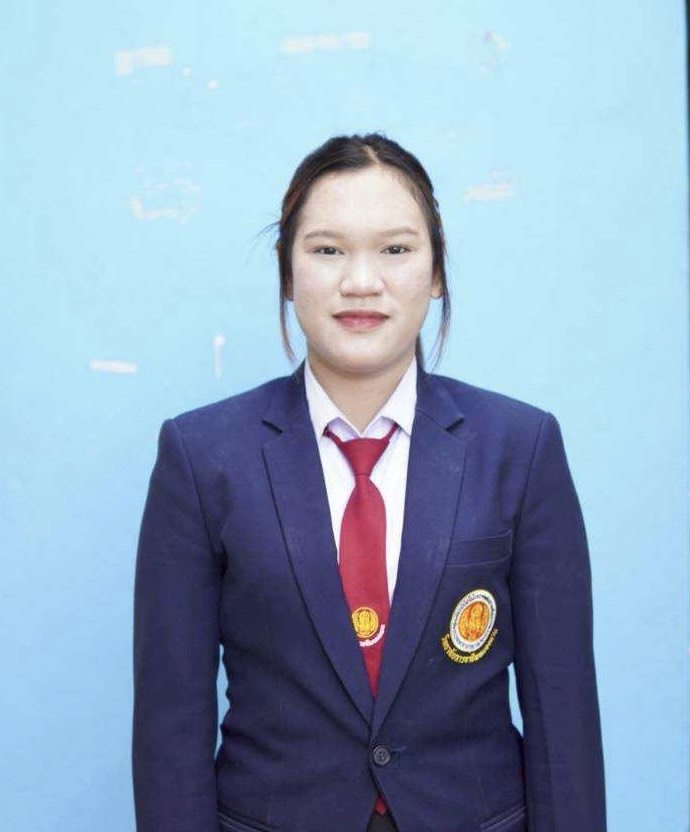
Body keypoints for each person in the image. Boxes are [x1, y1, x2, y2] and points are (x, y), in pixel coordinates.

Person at [132, 133, 607, 832]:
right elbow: (170, 726)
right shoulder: (201, 457)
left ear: (436, 270)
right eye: (327, 250)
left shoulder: (521, 447)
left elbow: (562, 711)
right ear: (287, 271)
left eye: (395, 249)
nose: (361, 281)